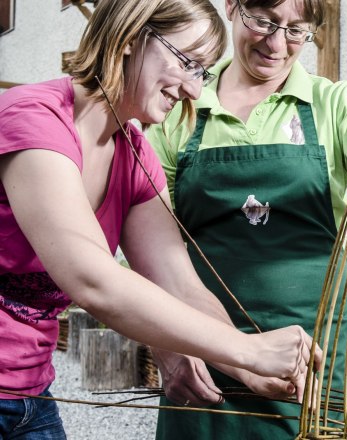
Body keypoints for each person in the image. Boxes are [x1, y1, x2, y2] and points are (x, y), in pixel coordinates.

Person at [0, 1, 322, 438]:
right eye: (188, 63)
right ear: (132, 37)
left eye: (203, 73)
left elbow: (181, 284)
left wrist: (246, 369)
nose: (193, 90)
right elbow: (92, 280)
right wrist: (248, 350)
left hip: (30, 394)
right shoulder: (33, 120)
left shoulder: (134, 153)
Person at [147, 0, 347, 437]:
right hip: (202, 349)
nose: (277, 44)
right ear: (232, 7)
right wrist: (166, 345)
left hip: (310, 362)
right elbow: (150, 245)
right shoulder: (183, 101)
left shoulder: (335, 105)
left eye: (297, 30)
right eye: (264, 22)